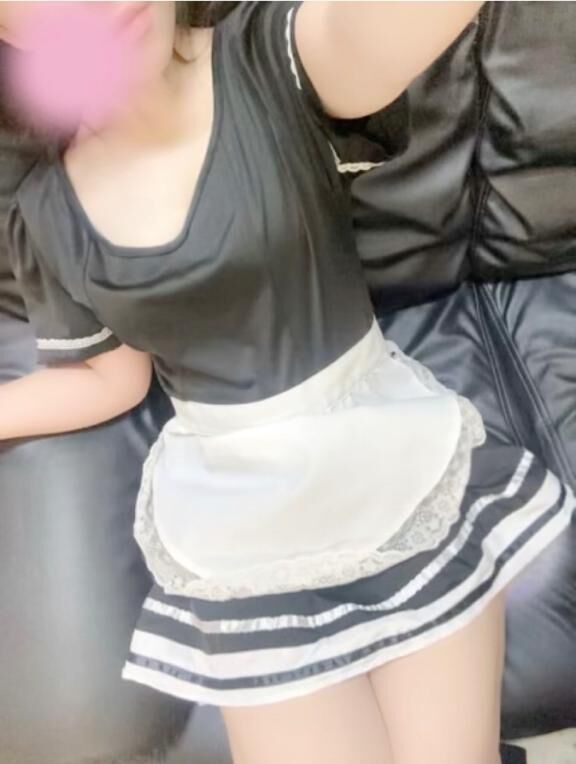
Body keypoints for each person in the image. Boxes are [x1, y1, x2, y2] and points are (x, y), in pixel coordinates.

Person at [0, 3, 573, 762]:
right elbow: (110, 378)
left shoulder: (272, 57)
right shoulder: (46, 212)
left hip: (392, 466)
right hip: (235, 521)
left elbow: (376, 31)